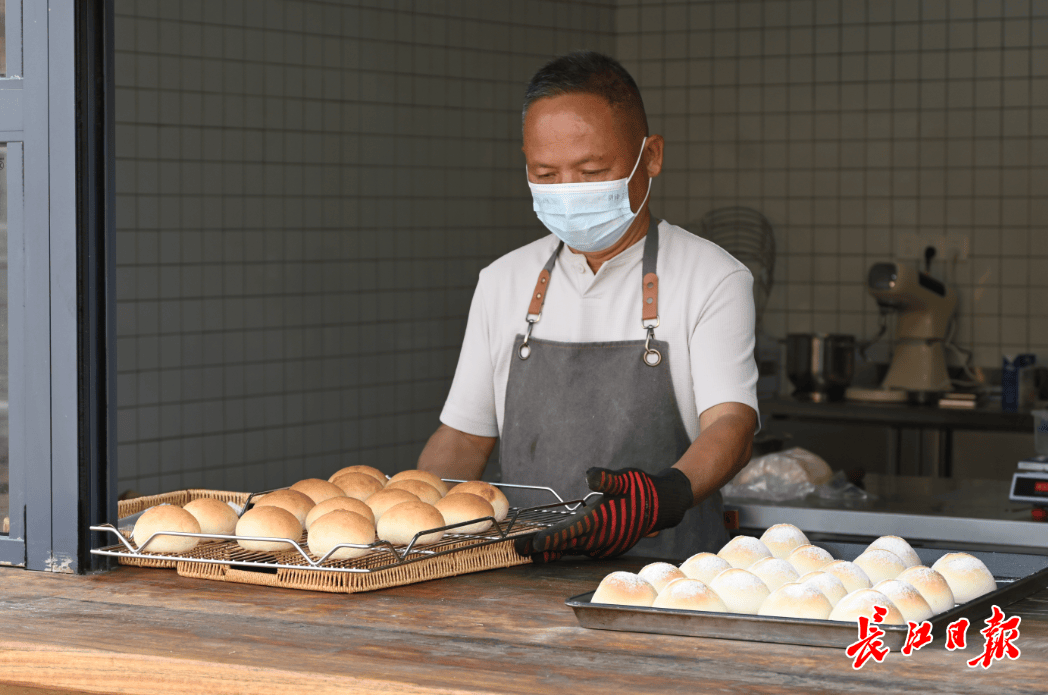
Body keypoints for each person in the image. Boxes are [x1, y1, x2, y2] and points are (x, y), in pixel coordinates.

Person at [418, 50, 759, 561]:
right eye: (546, 174)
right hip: (523, 575)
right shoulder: (503, 280)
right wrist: (412, 511)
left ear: (652, 157)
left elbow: (731, 423)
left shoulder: (712, 276)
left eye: (592, 169)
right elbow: (465, 438)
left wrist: (665, 496)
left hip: (667, 580)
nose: (569, 192)